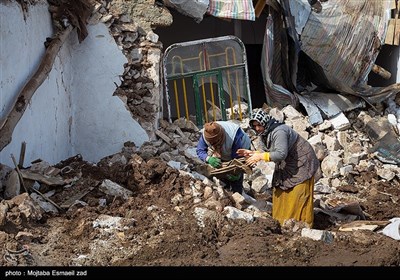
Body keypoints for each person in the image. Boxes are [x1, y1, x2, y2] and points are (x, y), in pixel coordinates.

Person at [237, 109, 320, 228]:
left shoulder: (279, 131)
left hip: (301, 161)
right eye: (254, 126)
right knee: (281, 190)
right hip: (287, 163)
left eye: (259, 125)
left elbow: (281, 154)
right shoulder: (265, 133)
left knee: (297, 194)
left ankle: (300, 225)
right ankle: (281, 222)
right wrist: (252, 153)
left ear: (265, 122)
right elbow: (267, 151)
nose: (257, 128)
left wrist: (260, 157)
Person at [196, 121, 251, 194]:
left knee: (235, 178)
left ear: (221, 137)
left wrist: (237, 173)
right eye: (212, 143)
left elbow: (237, 160)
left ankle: (238, 195)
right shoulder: (206, 135)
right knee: (223, 177)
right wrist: (208, 159)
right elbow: (200, 150)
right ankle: (227, 193)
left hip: (242, 149)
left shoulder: (234, 137)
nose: (214, 145)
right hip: (225, 151)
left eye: (217, 142)